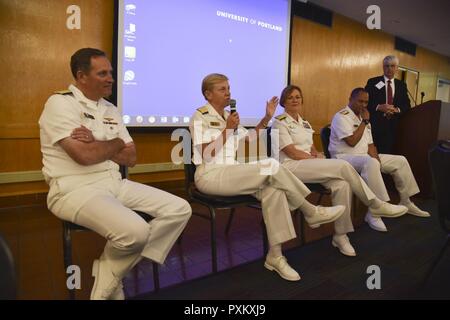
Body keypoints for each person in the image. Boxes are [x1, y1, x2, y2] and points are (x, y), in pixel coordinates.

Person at [38, 48, 191, 300]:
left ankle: (111, 270)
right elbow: (84, 156)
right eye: (102, 73)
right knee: (136, 232)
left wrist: (98, 141)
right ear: (81, 76)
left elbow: (131, 158)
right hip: (74, 189)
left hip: (114, 182)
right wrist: (116, 144)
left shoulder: (110, 108)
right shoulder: (60, 103)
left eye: (110, 72)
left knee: (180, 209)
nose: (111, 78)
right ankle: (111, 280)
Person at [190, 73, 345, 281]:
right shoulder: (199, 116)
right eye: (222, 89)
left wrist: (266, 119)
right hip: (210, 175)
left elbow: (250, 139)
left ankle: (275, 255)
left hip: (233, 172)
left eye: (229, 88)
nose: (228, 93)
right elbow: (206, 154)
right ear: (208, 94)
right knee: (271, 166)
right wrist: (227, 130)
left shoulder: (229, 116)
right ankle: (310, 210)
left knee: (273, 189)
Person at [272, 85, 408, 256]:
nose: (295, 100)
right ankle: (375, 204)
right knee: (343, 166)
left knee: (342, 184)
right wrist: (316, 159)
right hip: (290, 166)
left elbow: (311, 147)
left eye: (298, 97)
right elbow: (291, 152)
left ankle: (341, 236)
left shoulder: (304, 122)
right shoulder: (279, 121)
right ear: (284, 101)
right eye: (290, 97)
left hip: (308, 165)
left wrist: (316, 154)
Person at [329, 88, 430, 232]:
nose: (363, 105)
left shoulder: (364, 117)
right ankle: (376, 210)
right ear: (350, 99)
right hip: (344, 158)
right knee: (370, 162)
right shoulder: (341, 116)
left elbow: (371, 144)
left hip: (364, 156)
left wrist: (377, 159)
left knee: (399, 161)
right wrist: (365, 122)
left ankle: (406, 201)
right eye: (360, 101)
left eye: (366, 102)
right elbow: (351, 141)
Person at [365, 55, 411, 154]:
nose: (389, 69)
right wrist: (378, 107)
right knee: (374, 156)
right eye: (386, 66)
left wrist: (396, 110)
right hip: (376, 126)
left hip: (394, 128)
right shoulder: (373, 82)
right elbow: (365, 102)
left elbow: (406, 105)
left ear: (397, 68)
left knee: (390, 156)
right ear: (383, 67)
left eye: (392, 66)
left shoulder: (401, 85)